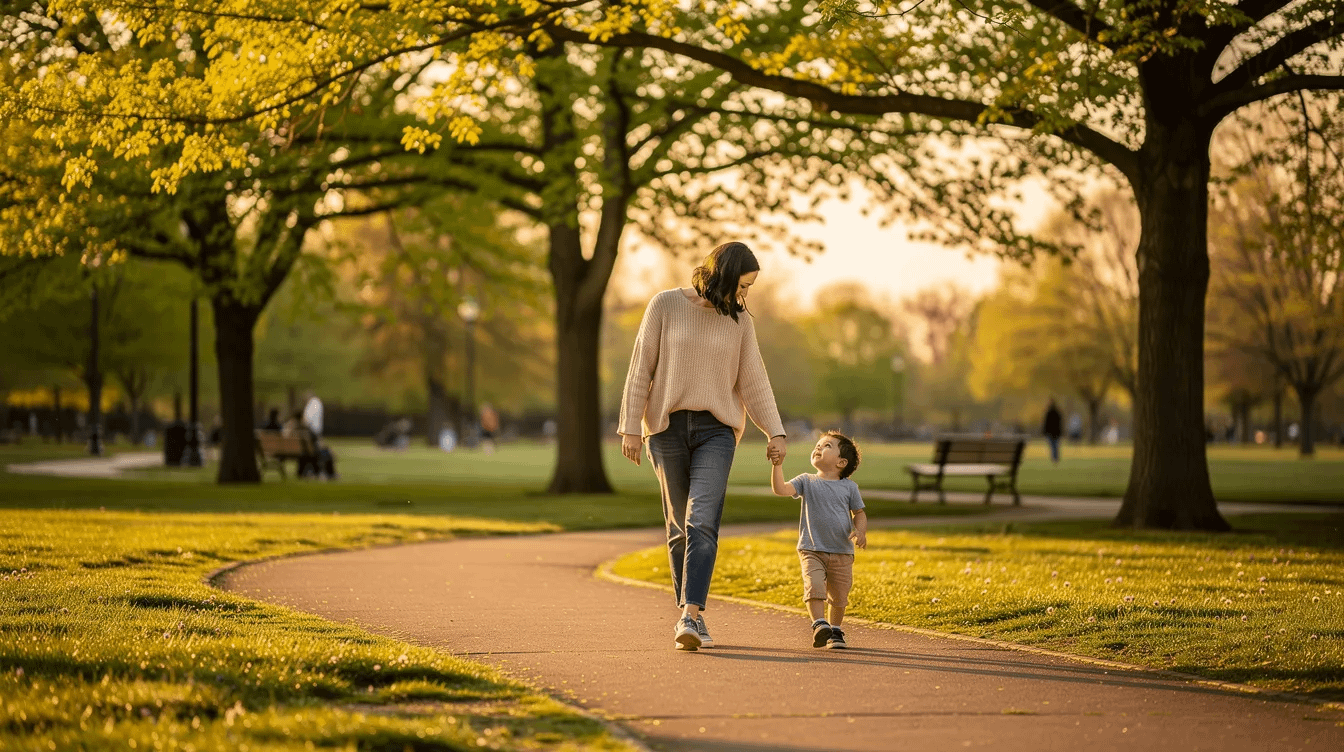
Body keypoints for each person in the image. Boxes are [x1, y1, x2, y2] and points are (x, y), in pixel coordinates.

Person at [619, 241, 787, 652]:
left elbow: (754, 380)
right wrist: (629, 426)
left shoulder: (740, 322)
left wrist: (775, 431)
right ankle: (691, 614)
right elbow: (641, 365)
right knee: (679, 527)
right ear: (724, 276)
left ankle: (690, 615)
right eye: (743, 287)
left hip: (717, 430)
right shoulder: (664, 306)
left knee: (703, 519)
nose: (745, 296)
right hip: (666, 428)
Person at [770, 430, 867, 649]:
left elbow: (859, 513)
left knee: (840, 597)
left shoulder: (850, 487)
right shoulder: (806, 481)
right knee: (814, 586)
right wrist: (777, 465)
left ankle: (835, 630)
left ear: (841, 462)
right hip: (811, 549)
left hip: (842, 552)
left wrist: (860, 532)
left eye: (827, 446)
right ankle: (819, 624)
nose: (818, 448)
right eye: (818, 444)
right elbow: (781, 489)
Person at [1042, 399, 1063, 464]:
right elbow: (1060, 423)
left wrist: (1045, 431)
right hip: (1056, 432)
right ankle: (1055, 458)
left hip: (1051, 432)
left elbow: (1046, 423)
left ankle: (1054, 458)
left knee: (1053, 446)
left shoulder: (1048, 413)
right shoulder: (1057, 413)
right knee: (1055, 446)